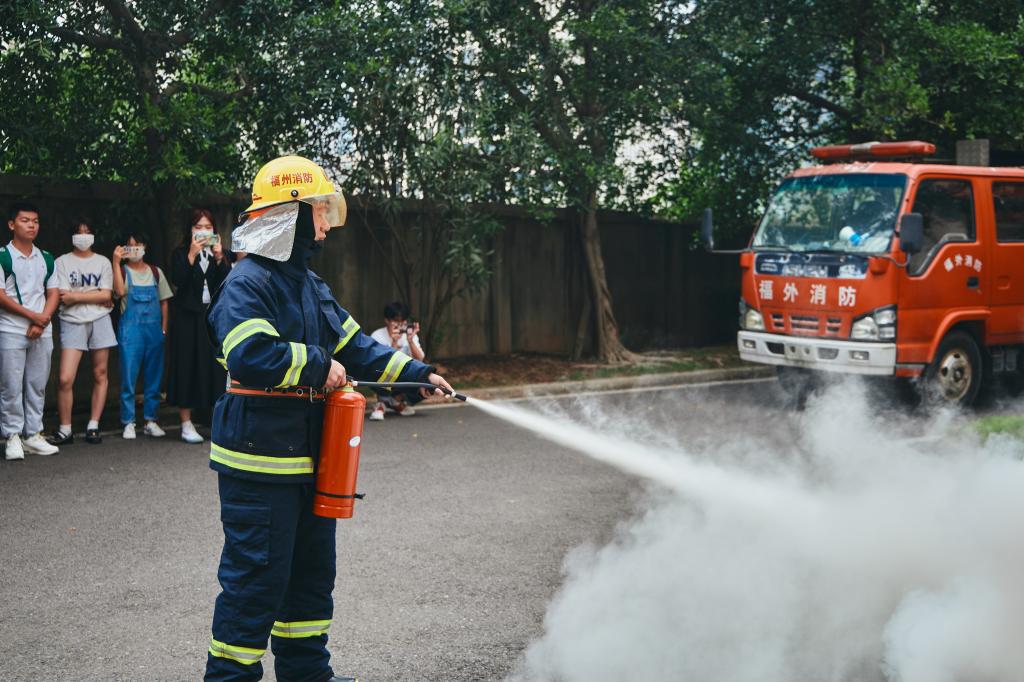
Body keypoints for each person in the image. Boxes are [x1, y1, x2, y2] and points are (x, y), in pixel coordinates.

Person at [204, 155, 454, 682]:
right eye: (318, 212)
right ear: (289, 214)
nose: (324, 226)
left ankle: (307, 676)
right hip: (261, 464)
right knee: (254, 586)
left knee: (311, 581)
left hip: (310, 463)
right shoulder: (247, 282)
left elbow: (357, 347)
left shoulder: (309, 285)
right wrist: (320, 366)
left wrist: (420, 374)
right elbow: (249, 354)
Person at [46, 218, 116, 446]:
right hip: (72, 321)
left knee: (100, 373)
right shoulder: (61, 262)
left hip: (100, 320)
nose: (83, 236)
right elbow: (64, 296)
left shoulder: (103, 262)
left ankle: (93, 425)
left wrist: (77, 296)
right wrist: (94, 295)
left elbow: (107, 295)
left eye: (87, 231)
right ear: (72, 236)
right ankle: (65, 429)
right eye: (79, 232)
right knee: (65, 378)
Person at [0, 201, 60, 459]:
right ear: (12, 224)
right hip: (11, 329)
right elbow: (1, 296)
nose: (31, 225)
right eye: (25, 220)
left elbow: (53, 293)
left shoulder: (46, 257)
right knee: (11, 386)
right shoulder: (3, 256)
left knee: (37, 384)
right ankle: (12, 436)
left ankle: (33, 434)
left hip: (42, 329)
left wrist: (41, 321)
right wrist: (33, 317)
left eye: (35, 221)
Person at [167, 208, 231, 444]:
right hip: (186, 318)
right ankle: (185, 423)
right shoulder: (180, 253)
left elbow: (227, 283)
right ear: (190, 230)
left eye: (207, 227)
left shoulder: (220, 253)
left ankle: (215, 421)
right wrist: (192, 255)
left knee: (213, 367)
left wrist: (219, 257)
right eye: (198, 227)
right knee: (186, 365)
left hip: (210, 318)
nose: (203, 231)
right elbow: (178, 280)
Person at [112, 229, 173, 440]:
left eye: (137, 245)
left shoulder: (156, 272)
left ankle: (151, 420)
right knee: (128, 378)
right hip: (130, 332)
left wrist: (163, 328)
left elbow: (164, 302)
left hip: (154, 331)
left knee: (154, 377)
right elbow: (119, 292)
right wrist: (115, 262)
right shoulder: (122, 271)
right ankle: (128, 422)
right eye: (129, 246)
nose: (134, 249)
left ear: (145, 247)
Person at [369, 301, 426, 421]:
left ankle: (392, 401)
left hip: (403, 375)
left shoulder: (409, 335)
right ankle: (385, 401)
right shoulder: (377, 336)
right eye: (396, 321)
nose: (400, 325)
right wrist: (394, 343)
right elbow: (380, 364)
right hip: (382, 375)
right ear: (387, 320)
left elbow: (420, 360)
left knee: (427, 378)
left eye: (403, 321)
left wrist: (410, 341)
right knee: (380, 371)